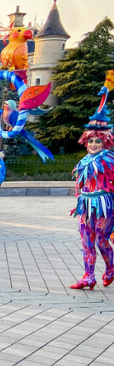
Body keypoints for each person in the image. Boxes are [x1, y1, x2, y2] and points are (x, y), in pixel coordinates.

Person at [69, 70, 114, 290]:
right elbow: (79, 184)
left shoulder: (110, 160)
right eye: (91, 141)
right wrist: (78, 202)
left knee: (101, 240)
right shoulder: (84, 160)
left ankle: (111, 267)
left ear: (105, 142)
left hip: (104, 205)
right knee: (86, 241)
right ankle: (88, 276)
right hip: (86, 204)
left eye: (98, 141)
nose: (94, 144)